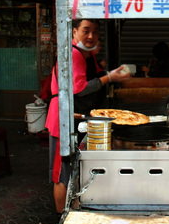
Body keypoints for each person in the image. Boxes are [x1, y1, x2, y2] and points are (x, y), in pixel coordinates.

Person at [45, 19, 130, 213]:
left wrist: (109, 73)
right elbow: (80, 88)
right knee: (62, 173)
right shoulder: (74, 54)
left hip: (78, 118)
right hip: (63, 120)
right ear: (74, 32)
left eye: (95, 32)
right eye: (85, 31)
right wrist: (109, 77)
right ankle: (61, 219)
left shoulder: (86, 56)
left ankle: (73, 210)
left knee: (75, 169)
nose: (91, 36)